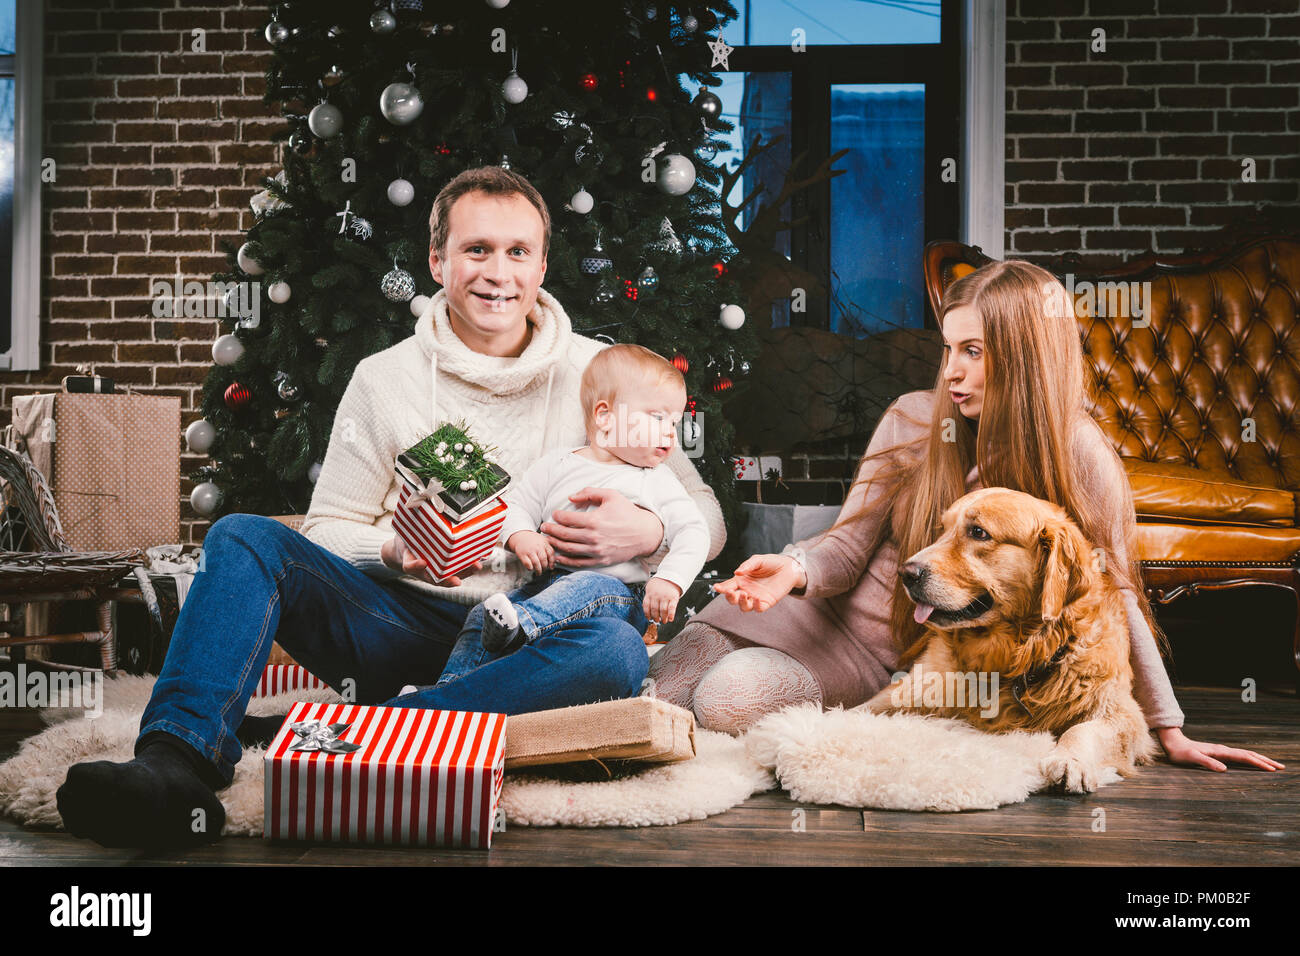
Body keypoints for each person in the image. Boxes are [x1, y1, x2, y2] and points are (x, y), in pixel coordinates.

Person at [55, 166, 726, 848]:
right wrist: (394, 548)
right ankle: (175, 762)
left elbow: (704, 511)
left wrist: (642, 530)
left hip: (532, 638)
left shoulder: (602, 373)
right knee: (243, 537)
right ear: (437, 261)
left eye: (518, 252)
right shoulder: (385, 379)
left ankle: (372, 728)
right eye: (477, 250)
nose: (499, 273)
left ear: (543, 264)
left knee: (614, 649)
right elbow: (322, 528)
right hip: (399, 623)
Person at [649, 259, 1283, 778]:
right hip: (826, 611)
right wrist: (790, 568)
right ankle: (597, 751)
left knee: (728, 697)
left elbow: (1113, 588)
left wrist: (1166, 728)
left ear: (1027, 355)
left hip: (896, 657)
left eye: (974, 351)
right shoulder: (911, 418)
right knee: (682, 660)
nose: (952, 370)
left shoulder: (1081, 454)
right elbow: (846, 545)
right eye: (949, 348)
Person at [464, 343, 709, 656]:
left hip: (617, 595)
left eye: (674, 422)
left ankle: (521, 628)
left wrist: (670, 580)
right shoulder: (557, 464)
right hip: (545, 586)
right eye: (658, 418)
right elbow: (515, 507)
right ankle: (444, 688)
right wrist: (520, 535)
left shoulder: (656, 478)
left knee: (587, 586)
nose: (671, 434)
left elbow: (694, 531)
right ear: (605, 416)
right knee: (479, 616)